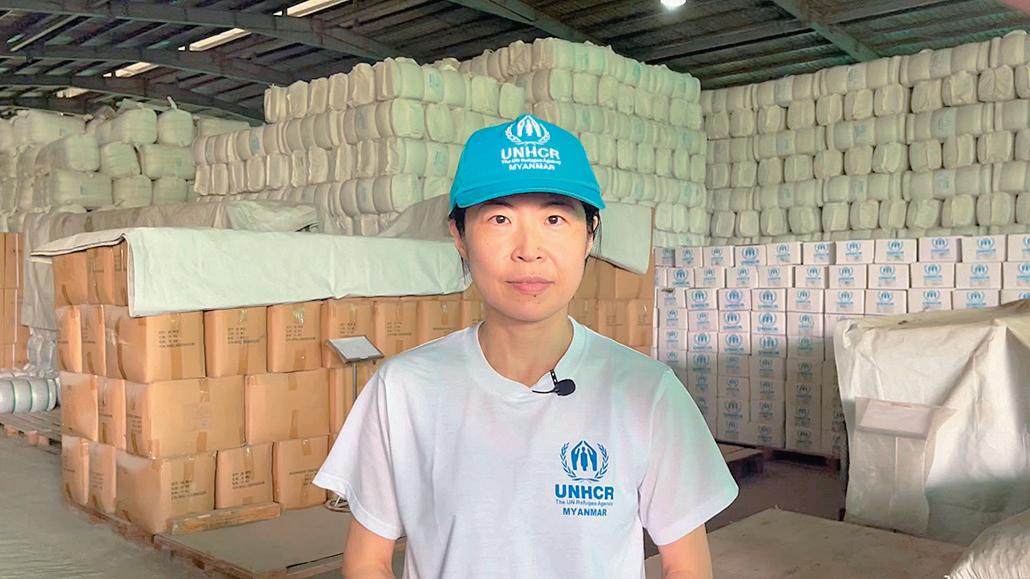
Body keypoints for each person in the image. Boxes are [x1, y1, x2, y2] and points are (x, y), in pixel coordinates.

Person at [314, 114, 738, 578]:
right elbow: (367, 561)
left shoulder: (648, 392)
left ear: (589, 234)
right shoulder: (404, 389)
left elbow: (686, 567)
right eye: (500, 219)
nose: (528, 250)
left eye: (554, 218)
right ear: (459, 236)